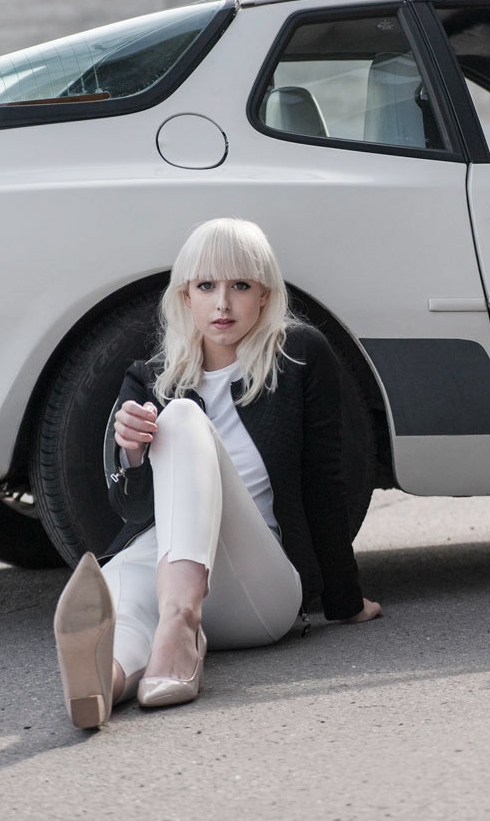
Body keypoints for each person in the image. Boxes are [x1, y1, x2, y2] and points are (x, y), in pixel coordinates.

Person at [52, 218, 381, 728]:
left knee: (181, 418)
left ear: (265, 295)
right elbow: (133, 511)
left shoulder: (298, 357)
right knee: (126, 608)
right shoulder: (149, 378)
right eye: (206, 286)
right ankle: (105, 682)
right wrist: (131, 455)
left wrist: (345, 599)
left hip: (256, 587)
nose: (222, 304)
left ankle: (181, 622)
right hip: (162, 561)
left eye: (240, 286)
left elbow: (324, 483)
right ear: (186, 297)